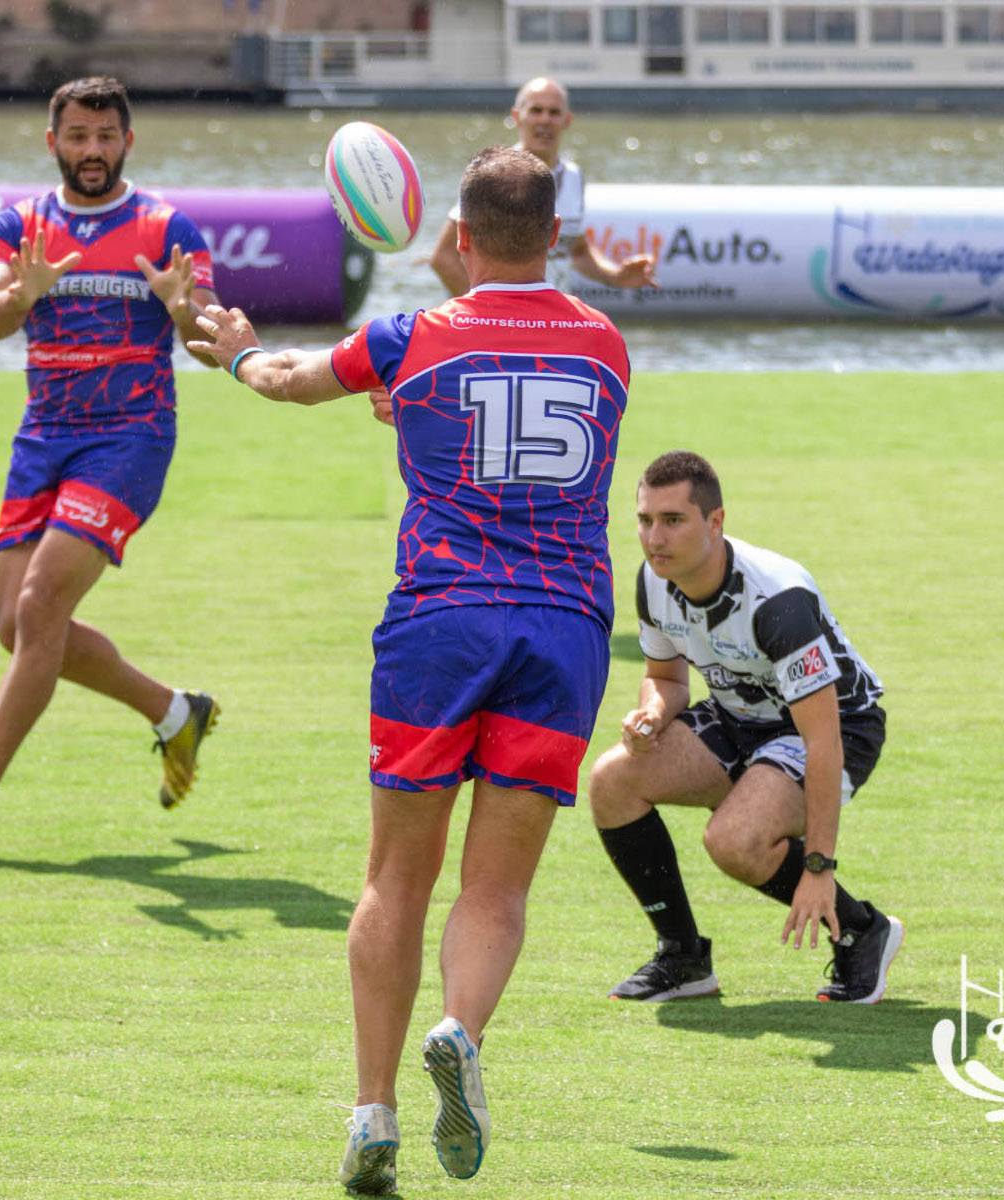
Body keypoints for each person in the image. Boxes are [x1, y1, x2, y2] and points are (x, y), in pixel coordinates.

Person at [185, 146, 631, 1195]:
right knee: (497, 886)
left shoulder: (411, 340)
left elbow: (296, 383)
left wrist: (240, 354)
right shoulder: (608, 345)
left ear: (462, 237)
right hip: (563, 630)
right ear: (556, 234)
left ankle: (372, 1113)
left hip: (438, 626)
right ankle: (461, 1031)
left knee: (396, 877)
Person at [0, 76, 222, 850]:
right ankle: (176, 712)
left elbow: (212, 343)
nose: (93, 151)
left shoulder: (168, 227)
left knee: (40, 609)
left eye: (106, 137)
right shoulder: (17, 226)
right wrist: (23, 295)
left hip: (130, 440)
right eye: (78, 137)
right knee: (17, 626)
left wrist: (182, 310)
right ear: (53, 142)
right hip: (43, 441)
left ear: (128, 141)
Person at [588, 451, 903, 1006]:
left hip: (840, 729)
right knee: (612, 780)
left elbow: (822, 741)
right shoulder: (654, 579)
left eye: (673, 520)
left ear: (715, 522)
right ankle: (683, 958)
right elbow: (667, 679)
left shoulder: (778, 600)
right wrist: (651, 716)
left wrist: (819, 866)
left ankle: (861, 930)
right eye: (645, 520)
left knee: (734, 841)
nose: (654, 537)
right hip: (741, 717)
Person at [426, 76, 656, 297]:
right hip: (497, 327)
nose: (545, 120)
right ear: (517, 117)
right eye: (536, 110)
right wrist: (495, 314)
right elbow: (443, 258)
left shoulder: (574, 176)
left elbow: (576, 250)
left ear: (567, 121)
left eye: (554, 112)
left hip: (548, 325)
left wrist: (616, 276)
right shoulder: (493, 173)